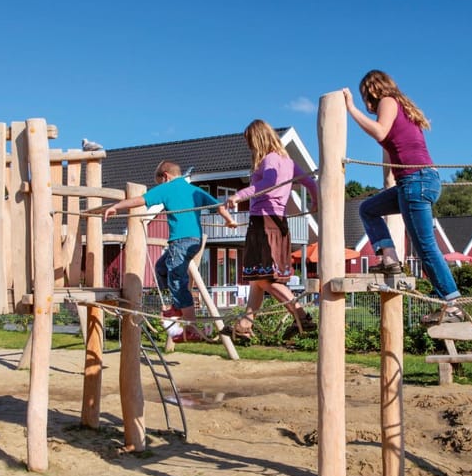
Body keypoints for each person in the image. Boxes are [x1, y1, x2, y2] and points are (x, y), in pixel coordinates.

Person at [343, 70, 463, 323]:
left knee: (425, 247)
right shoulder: (403, 111)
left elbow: (380, 132)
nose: (366, 100)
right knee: (368, 208)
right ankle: (389, 258)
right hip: (417, 181)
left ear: (371, 89)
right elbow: (390, 164)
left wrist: (351, 109)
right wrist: (386, 190)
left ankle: (452, 305)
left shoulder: (388, 101)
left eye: (364, 94)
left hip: (416, 182)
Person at [103, 160, 237, 341]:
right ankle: (177, 306)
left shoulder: (167, 188)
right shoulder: (194, 189)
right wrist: (229, 220)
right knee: (161, 268)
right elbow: (219, 206)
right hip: (194, 241)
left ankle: (190, 328)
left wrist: (115, 207)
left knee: (177, 280)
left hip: (180, 241)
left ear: (165, 176)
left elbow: (140, 200)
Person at [223, 119, 319, 341]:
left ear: (258, 140)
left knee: (266, 279)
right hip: (278, 223)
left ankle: (301, 316)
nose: (250, 148)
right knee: (257, 279)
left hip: (263, 223)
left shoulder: (269, 160)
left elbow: (268, 184)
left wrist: (239, 195)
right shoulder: (288, 161)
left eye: (250, 142)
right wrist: (314, 201)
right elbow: (310, 182)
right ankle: (245, 325)